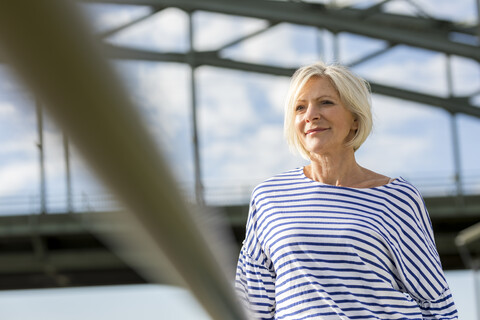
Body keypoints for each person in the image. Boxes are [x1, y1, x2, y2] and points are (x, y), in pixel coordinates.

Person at [235, 61, 458, 320]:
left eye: (325, 102)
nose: (311, 115)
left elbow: (436, 303)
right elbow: (251, 301)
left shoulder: (398, 199)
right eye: (300, 107)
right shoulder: (269, 198)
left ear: (355, 118)